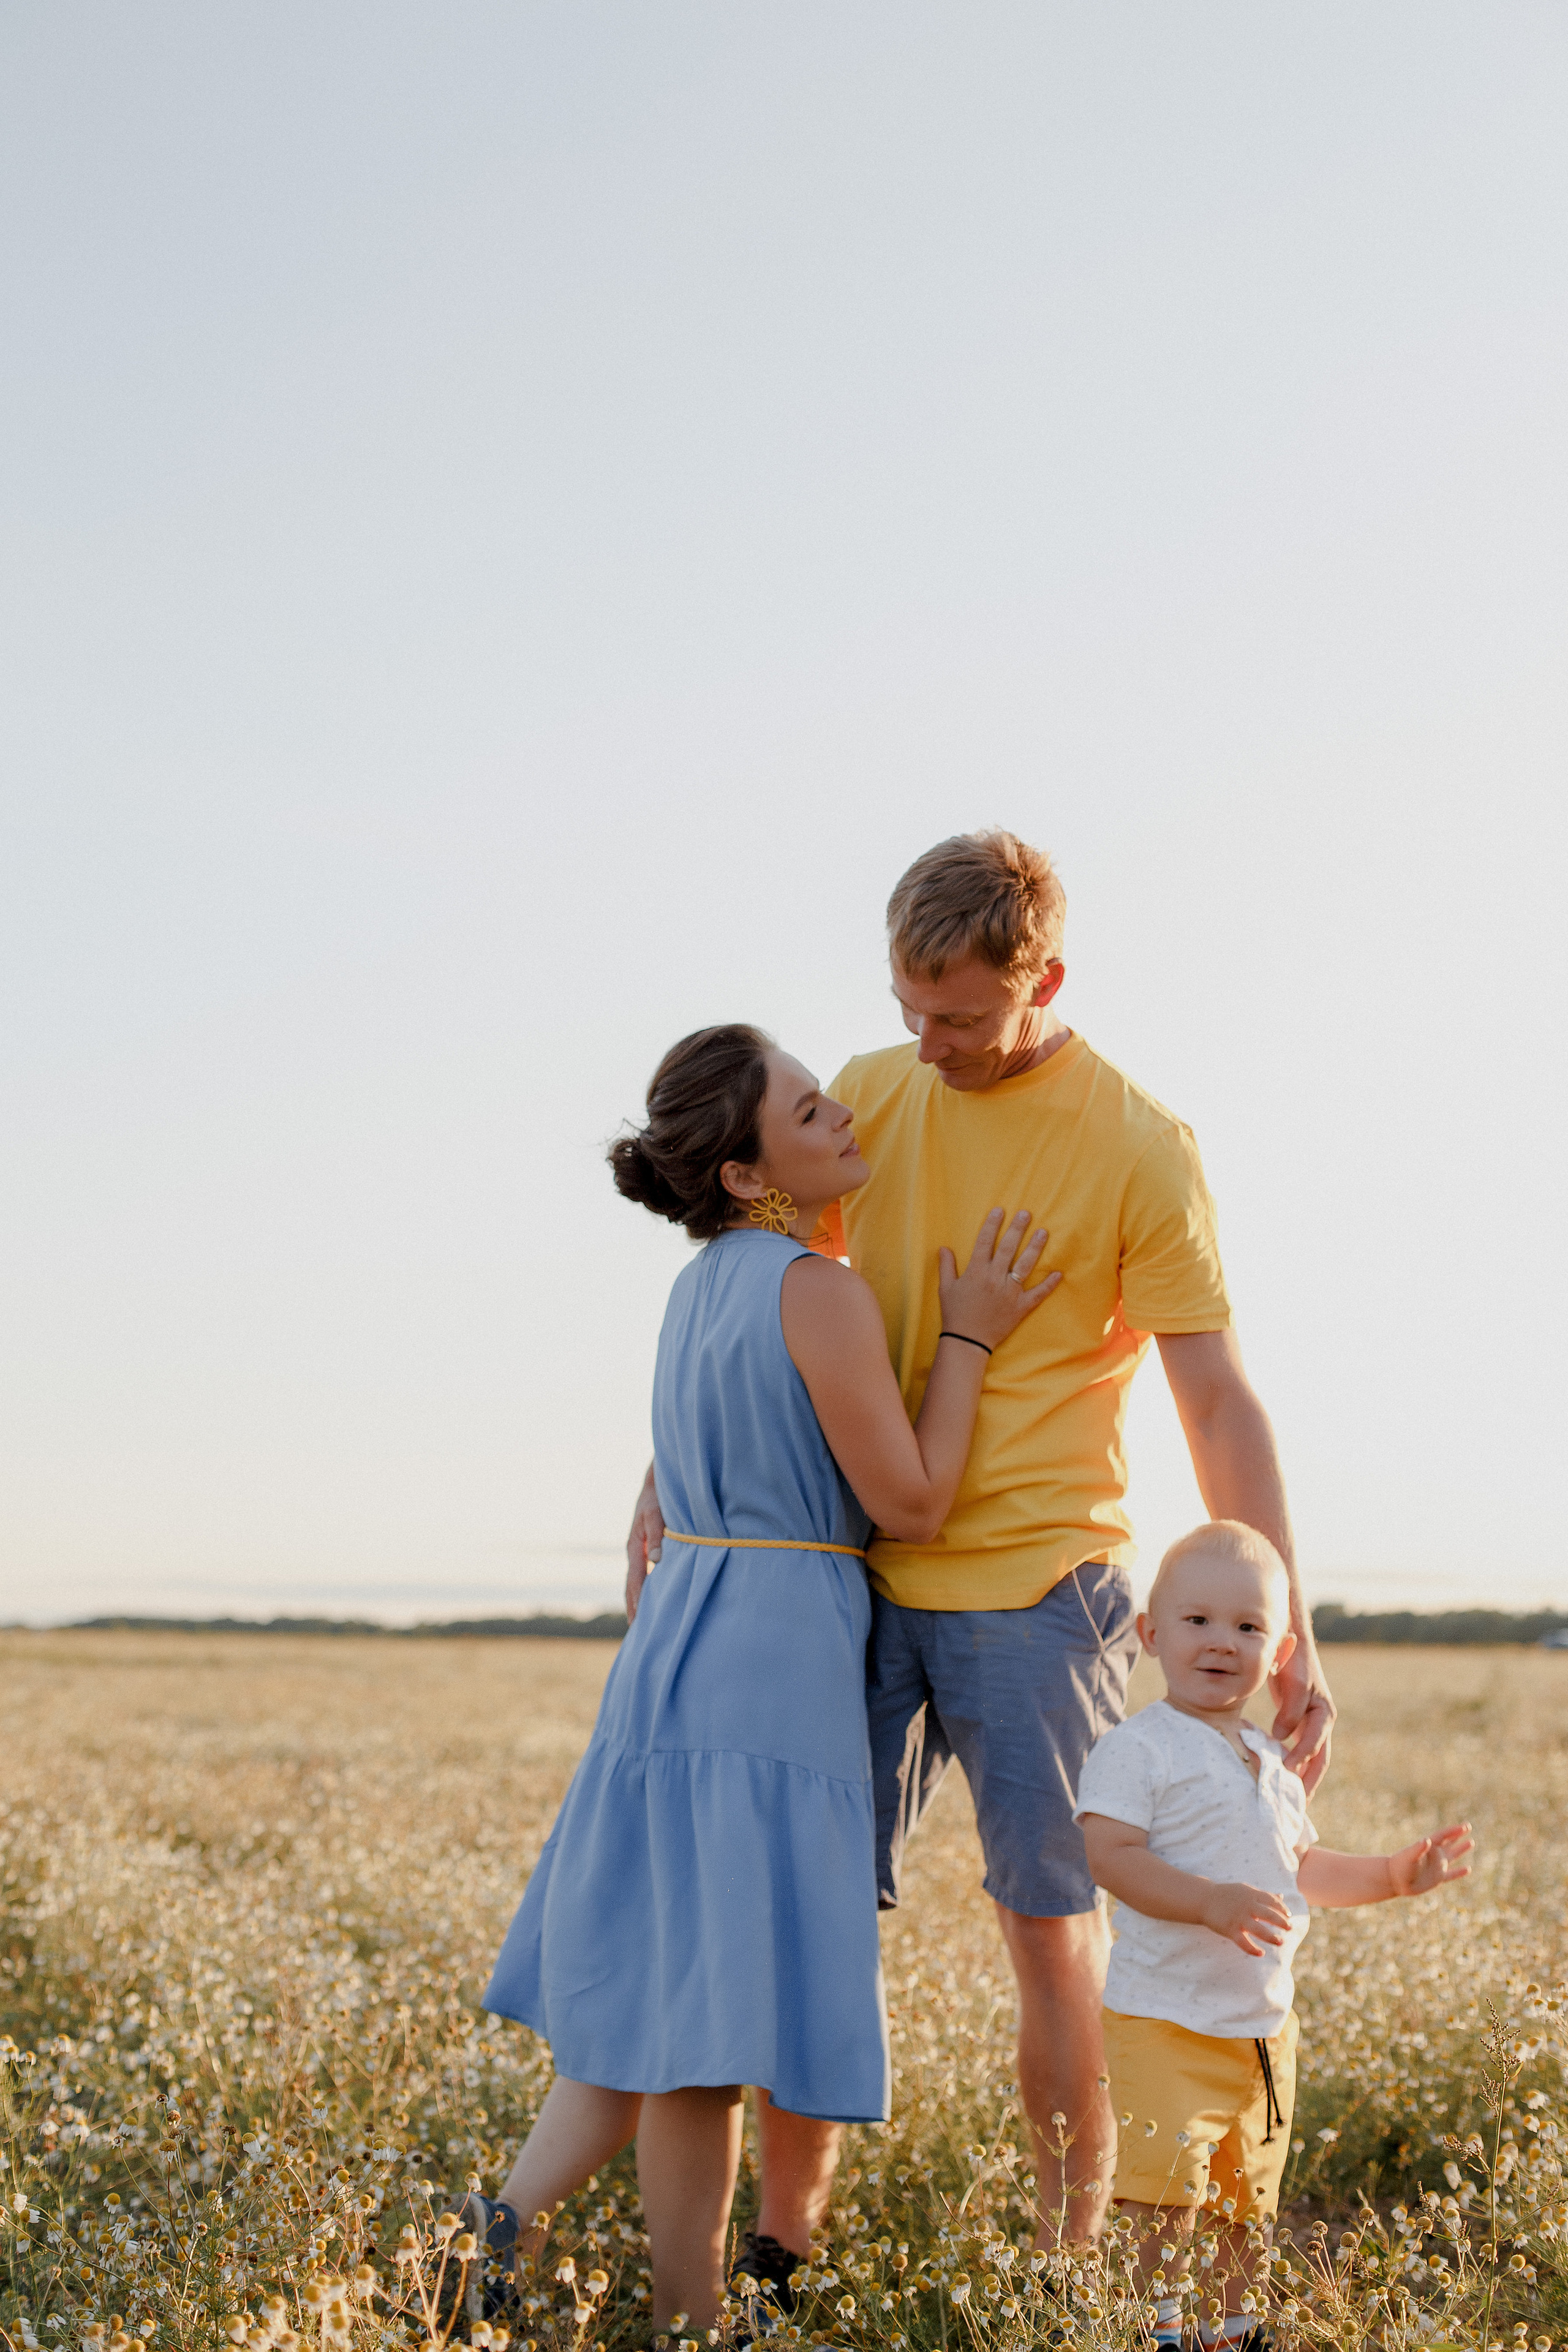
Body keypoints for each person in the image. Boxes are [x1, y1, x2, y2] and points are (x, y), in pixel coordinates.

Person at [627, 827, 1337, 2242]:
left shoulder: (1137, 1144)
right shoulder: (872, 1099)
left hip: (1043, 1595)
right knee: (809, 1928)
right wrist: (670, 1472)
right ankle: (780, 2250)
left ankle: (1063, 2263)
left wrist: (1290, 1624)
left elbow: (1212, 1397)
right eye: (905, 1005)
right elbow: (772, 1299)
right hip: (853, 1585)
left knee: (1052, 1940)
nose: (923, 1040)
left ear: (1041, 980)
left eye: (955, 1014)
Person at [467, 1022, 1063, 2333]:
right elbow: (907, 1501)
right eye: (807, 1111)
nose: (841, 1116)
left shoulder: (699, 1289)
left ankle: (501, 2242)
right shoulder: (816, 1289)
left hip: (678, 1645)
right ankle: (681, 2318)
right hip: (772, 1651)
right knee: (709, 2029)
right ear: (747, 1171)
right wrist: (965, 1337)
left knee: (658, 2017)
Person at [1076, 1520, 1471, 2349]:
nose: (1224, 1642)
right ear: (1151, 1635)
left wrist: (1396, 1876)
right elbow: (1109, 1857)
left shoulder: (1268, 1760)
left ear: (1281, 1649)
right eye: (1198, 1621)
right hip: (1165, 2019)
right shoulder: (1137, 1747)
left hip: (1259, 2027)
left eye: (1250, 1627)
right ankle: (1160, 2329)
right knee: (1164, 2198)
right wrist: (1208, 1903)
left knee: (1246, 2200)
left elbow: (1303, 1871)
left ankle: (1236, 2328)